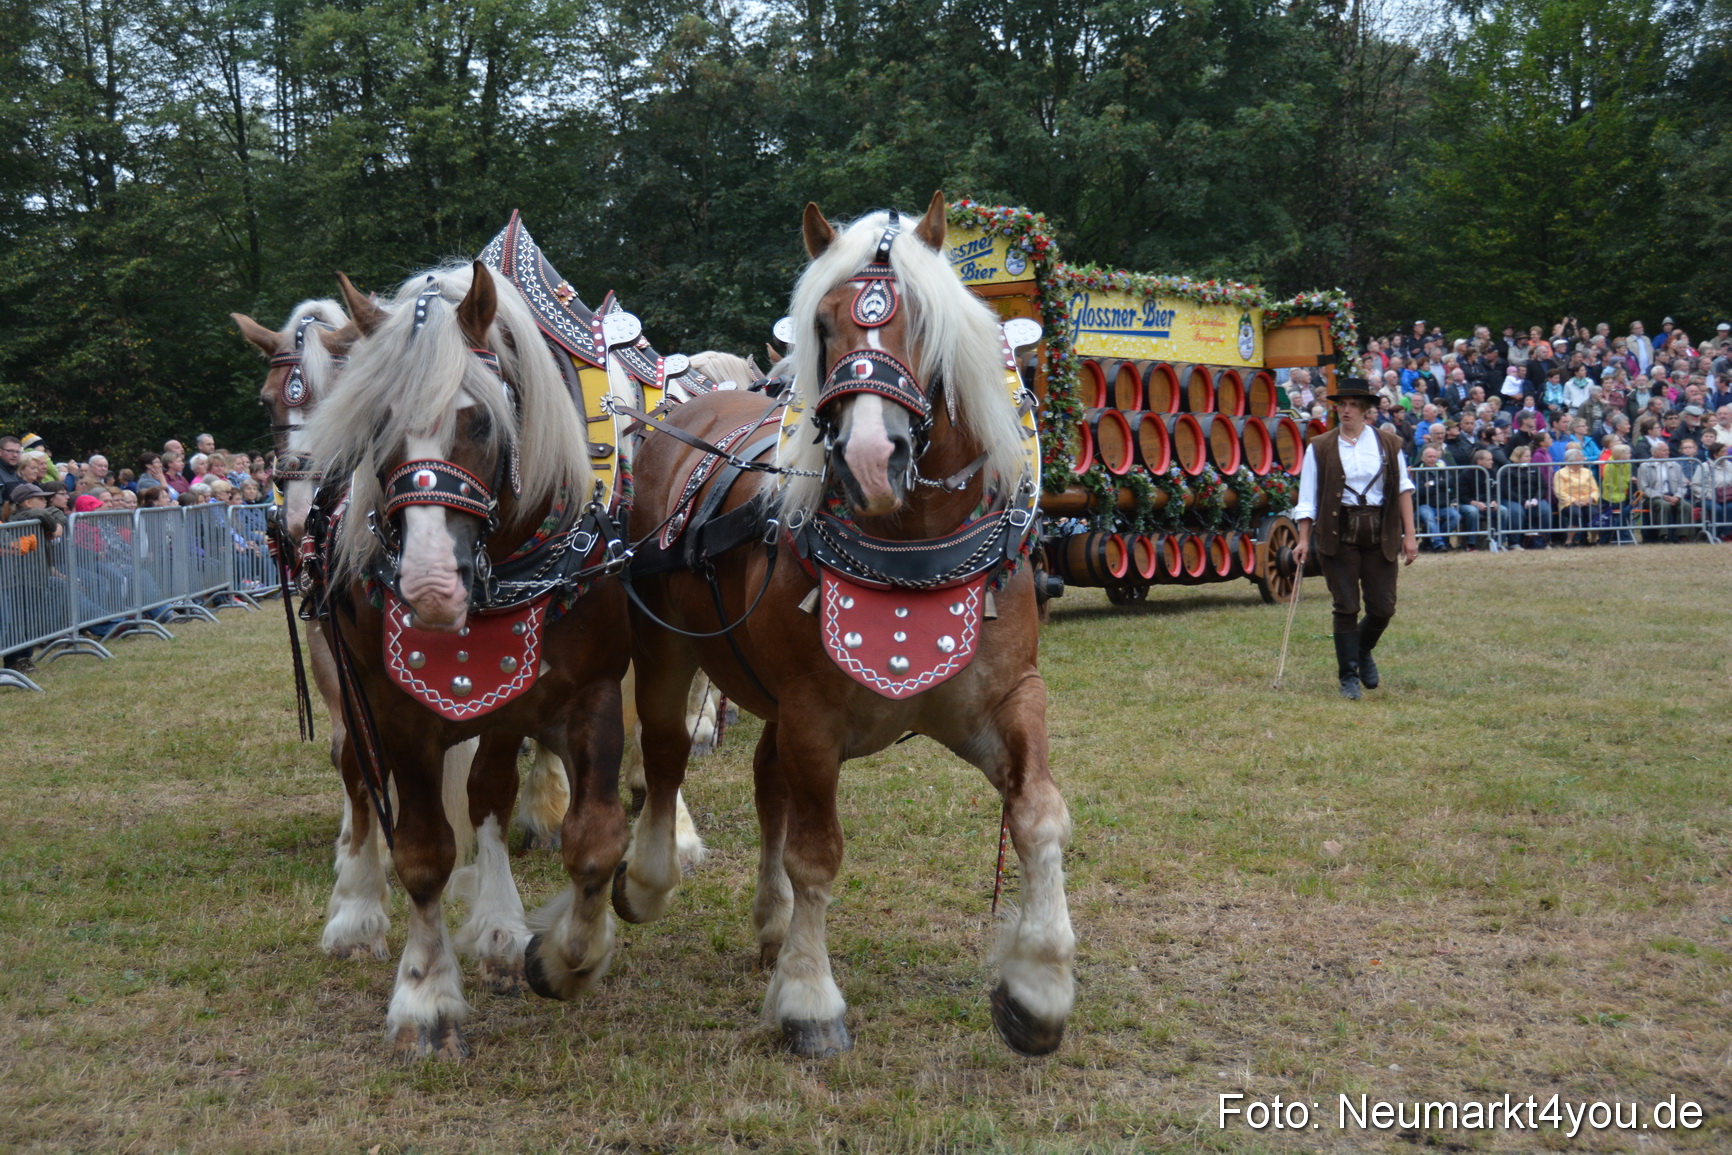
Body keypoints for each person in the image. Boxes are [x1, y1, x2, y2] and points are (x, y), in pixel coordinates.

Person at [1291, 377, 1418, 700]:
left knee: (1383, 608)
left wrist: (1410, 535)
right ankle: (1348, 675)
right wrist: (1304, 539)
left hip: (1381, 531)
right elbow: (1307, 499)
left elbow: (1404, 489)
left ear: (1366, 410)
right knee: (1346, 606)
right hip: (1338, 532)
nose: (1346, 410)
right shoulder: (1319, 447)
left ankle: (1361, 651)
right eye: (1341, 405)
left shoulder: (1389, 444)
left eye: (1353, 405)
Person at [1637, 444, 1686, 542]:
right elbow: (1644, 488)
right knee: (1664, 505)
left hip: (1672, 495)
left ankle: (1681, 535)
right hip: (1652, 498)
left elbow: (1683, 484)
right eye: (1664, 450)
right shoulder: (1645, 466)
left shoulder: (1675, 465)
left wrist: (1677, 496)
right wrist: (1662, 496)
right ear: (1655, 453)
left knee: (1686, 505)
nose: (1667, 452)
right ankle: (1664, 535)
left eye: (1668, 450)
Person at [1552, 446, 1600, 546]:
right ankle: (1569, 541)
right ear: (1571, 461)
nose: (1583, 460)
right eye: (1580, 458)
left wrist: (1591, 498)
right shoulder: (1560, 473)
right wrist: (1574, 501)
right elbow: (1560, 492)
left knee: (1594, 513)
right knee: (1576, 513)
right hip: (1568, 503)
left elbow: (1595, 489)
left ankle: (1593, 539)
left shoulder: (1587, 472)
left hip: (1587, 501)